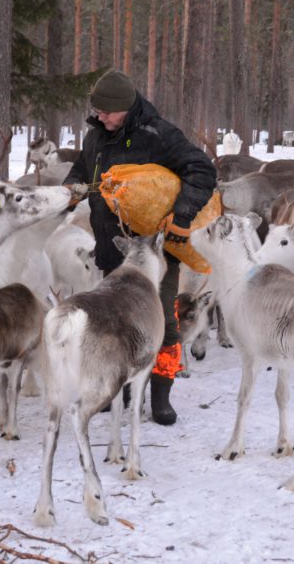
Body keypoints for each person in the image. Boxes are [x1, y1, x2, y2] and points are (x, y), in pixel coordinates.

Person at [63, 69, 217, 425]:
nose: (100, 117)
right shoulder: (96, 137)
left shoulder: (159, 135)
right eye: (97, 111)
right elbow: (82, 171)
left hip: (154, 254)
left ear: (126, 107)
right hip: (110, 247)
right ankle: (119, 390)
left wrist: (182, 215)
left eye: (106, 111)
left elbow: (201, 170)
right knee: (113, 324)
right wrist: (71, 189)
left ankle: (160, 396)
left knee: (162, 321)